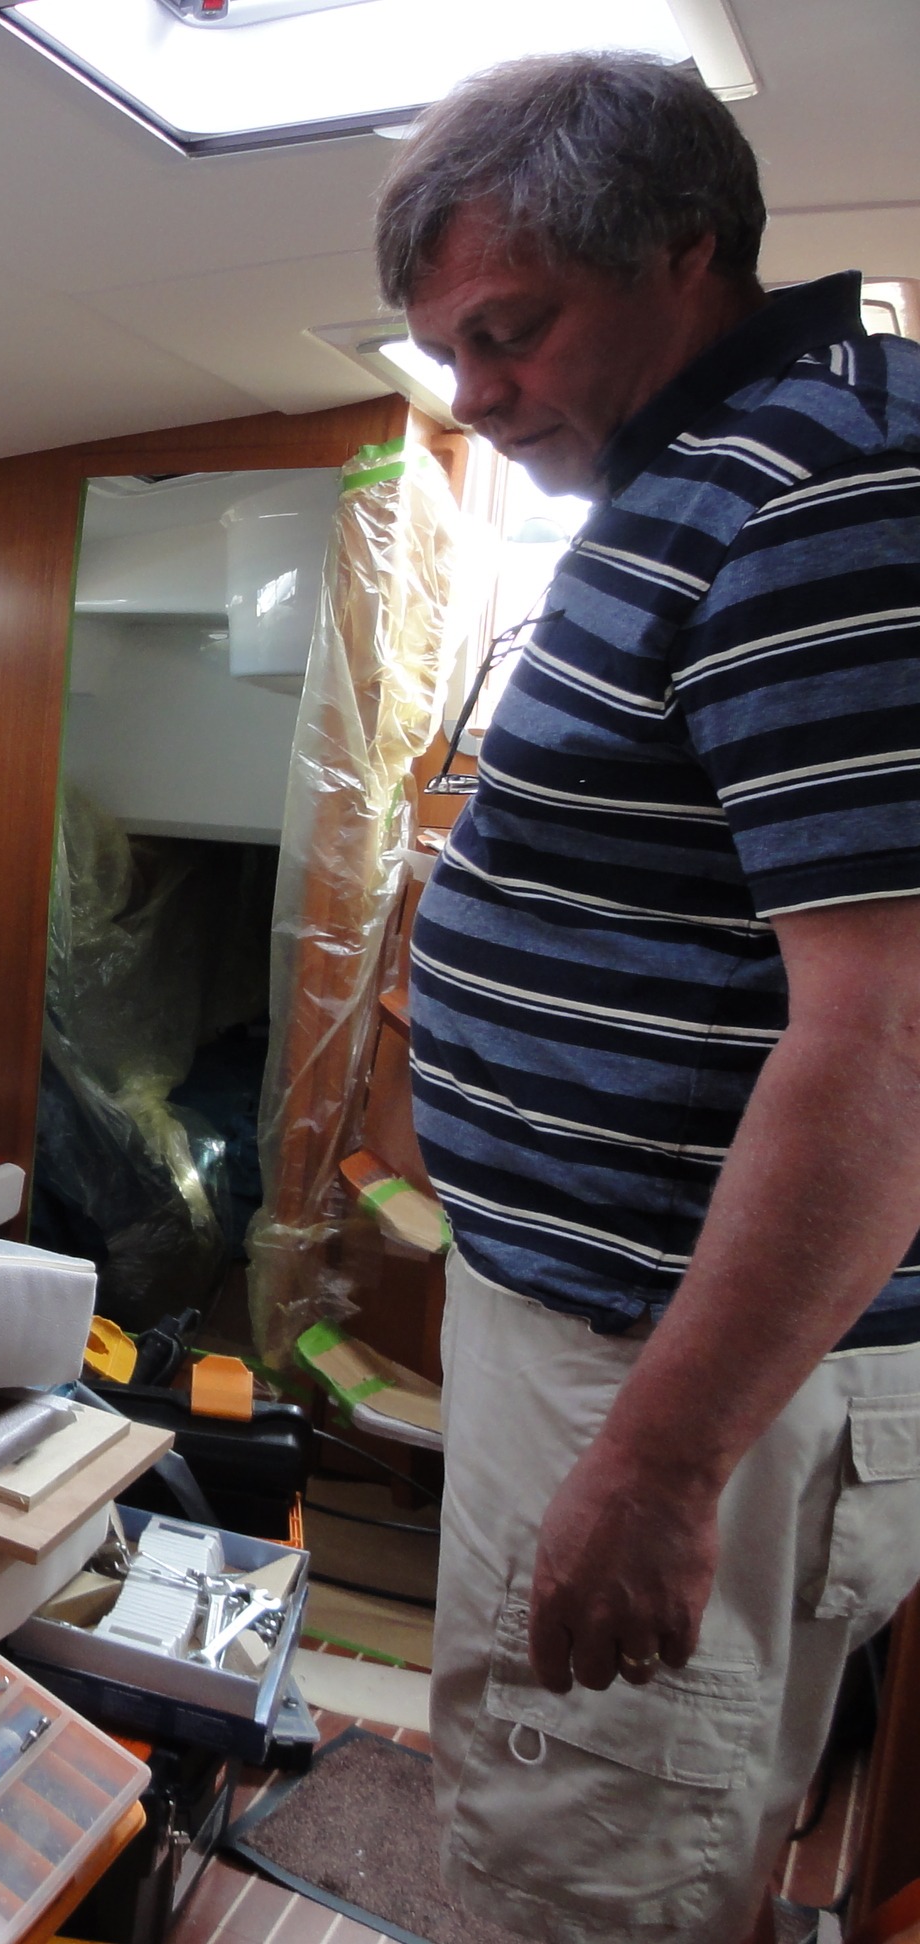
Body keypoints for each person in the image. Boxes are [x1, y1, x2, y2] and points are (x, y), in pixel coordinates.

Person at [381, 52, 920, 1944]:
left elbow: (891, 1039)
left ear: (685, 252)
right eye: (449, 351)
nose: (476, 394)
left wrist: (661, 1466)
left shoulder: (826, 495)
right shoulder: (720, 472)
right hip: (619, 1329)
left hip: (674, 1364)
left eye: (509, 331)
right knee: (611, 1836)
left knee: (592, 1868)